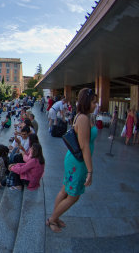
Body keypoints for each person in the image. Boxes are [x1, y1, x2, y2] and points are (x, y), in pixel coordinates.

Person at [47, 88, 97, 233]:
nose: (96, 104)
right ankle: (52, 219)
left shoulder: (84, 116)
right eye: (94, 102)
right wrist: (90, 171)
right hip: (78, 162)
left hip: (75, 160)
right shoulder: (83, 118)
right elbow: (84, 146)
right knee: (73, 196)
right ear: (87, 102)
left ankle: (54, 217)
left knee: (65, 191)